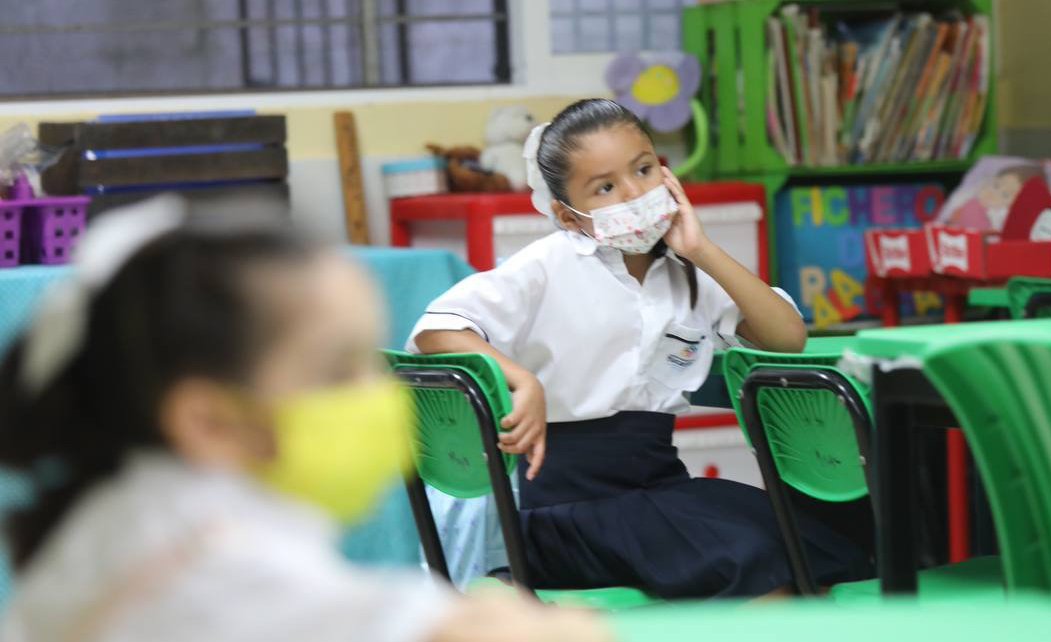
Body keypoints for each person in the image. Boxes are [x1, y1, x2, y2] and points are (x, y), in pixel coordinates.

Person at [0, 197, 609, 642]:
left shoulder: (127, 514)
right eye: (337, 372)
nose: (378, 398)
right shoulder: (200, 559)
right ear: (208, 421)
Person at [409, 99, 870, 599]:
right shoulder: (549, 264)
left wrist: (702, 250)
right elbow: (438, 327)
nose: (634, 193)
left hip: (659, 489)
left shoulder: (685, 270)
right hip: (565, 514)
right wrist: (522, 380)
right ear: (569, 216)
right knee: (756, 560)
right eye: (605, 187)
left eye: (644, 169)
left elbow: (787, 337)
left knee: (818, 548)